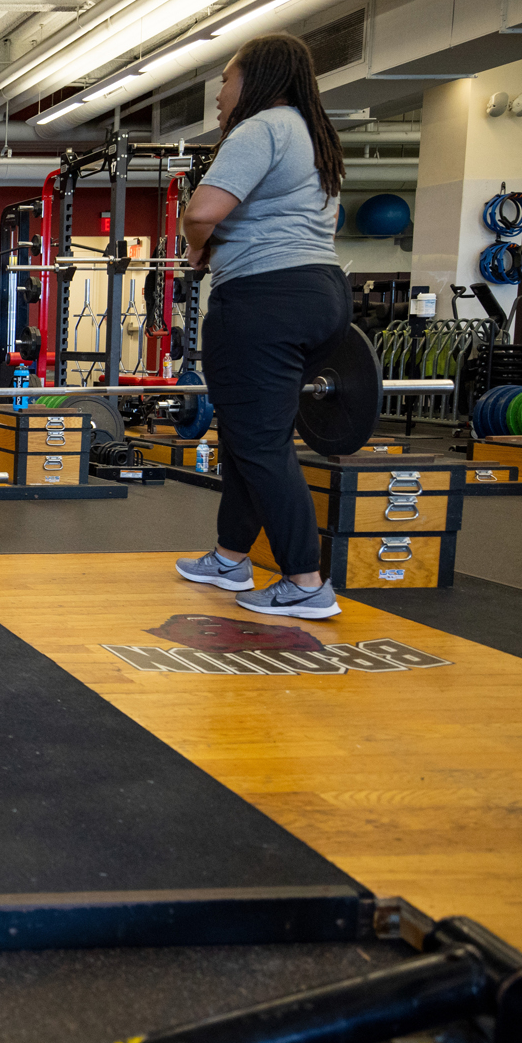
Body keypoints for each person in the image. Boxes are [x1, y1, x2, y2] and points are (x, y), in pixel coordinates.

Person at [172, 32, 350, 621]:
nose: (219, 94)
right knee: (251, 435)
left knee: (260, 442)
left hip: (262, 297)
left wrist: (198, 251)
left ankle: (304, 581)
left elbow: (202, 211)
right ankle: (230, 558)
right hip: (321, 291)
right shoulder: (312, 134)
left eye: (225, 78)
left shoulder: (262, 127)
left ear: (256, 79)